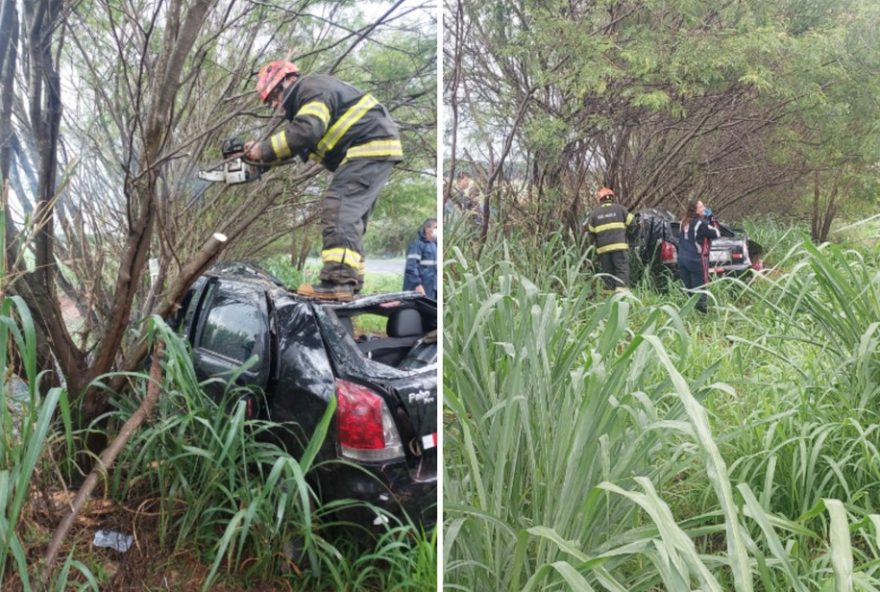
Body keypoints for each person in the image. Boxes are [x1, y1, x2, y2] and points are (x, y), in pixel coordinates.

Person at [244, 60, 403, 300]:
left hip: (367, 147)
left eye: (274, 96)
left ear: (287, 80)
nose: (275, 105)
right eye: (270, 103)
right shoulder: (309, 99)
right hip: (372, 149)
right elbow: (300, 145)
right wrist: (262, 162)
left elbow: (306, 133)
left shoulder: (310, 89)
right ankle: (350, 280)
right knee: (351, 218)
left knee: (339, 209)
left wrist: (263, 150)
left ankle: (338, 282)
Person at [586, 187, 635, 290]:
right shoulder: (620, 209)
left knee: (607, 273)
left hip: (603, 250)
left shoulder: (594, 214)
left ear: (600, 199)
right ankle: (621, 296)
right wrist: (629, 237)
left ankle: (608, 297)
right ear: (612, 198)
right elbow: (633, 224)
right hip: (620, 247)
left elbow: (591, 234)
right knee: (621, 270)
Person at [677, 199, 721, 313]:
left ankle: (687, 312)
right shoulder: (700, 224)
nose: (704, 209)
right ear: (695, 210)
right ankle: (701, 315)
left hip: (682, 259)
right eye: (701, 207)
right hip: (695, 260)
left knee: (688, 288)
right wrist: (711, 219)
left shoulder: (682, 222)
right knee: (700, 288)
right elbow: (716, 233)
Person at [403, 218, 437, 300]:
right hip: (421, 288)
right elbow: (411, 267)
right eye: (436, 227)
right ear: (427, 229)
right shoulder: (417, 245)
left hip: (432, 288)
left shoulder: (435, 245)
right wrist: (417, 285)